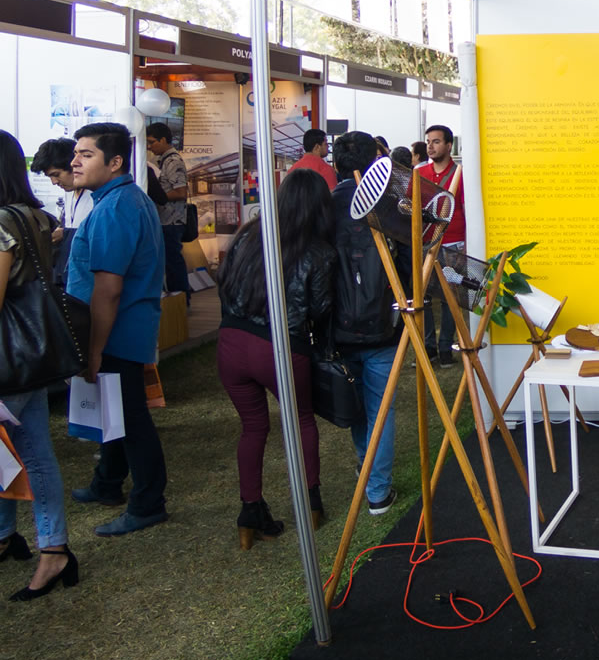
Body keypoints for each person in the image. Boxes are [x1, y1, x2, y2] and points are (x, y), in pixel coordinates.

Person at [216, 168, 335, 547]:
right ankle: (311, 503)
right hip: (280, 346)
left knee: (252, 427)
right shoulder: (319, 251)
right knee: (301, 421)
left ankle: (249, 512)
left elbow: (223, 284)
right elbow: (319, 308)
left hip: (231, 341)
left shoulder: (248, 235)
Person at [68, 121, 169, 536]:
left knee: (131, 417)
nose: (75, 161)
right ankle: (107, 482)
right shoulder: (120, 200)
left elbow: (108, 290)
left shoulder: (115, 208)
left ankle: (148, 503)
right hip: (119, 330)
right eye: (76, 153)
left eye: (86, 154)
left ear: (114, 163)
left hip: (116, 332)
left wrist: (94, 350)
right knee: (115, 410)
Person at [0, 129, 79, 600]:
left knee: (24, 452)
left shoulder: (1, 222)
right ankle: (47, 546)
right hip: (29, 356)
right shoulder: (36, 215)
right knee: (33, 451)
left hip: (7, 358)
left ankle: (43, 547)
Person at [331, 131, 407, 515]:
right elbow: (409, 261)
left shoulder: (325, 207)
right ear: (374, 162)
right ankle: (377, 490)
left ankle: (369, 473)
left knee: (358, 404)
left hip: (339, 326)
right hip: (383, 324)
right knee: (380, 407)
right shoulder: (386, 206)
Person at [416, 124, 464, 366]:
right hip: (425, 242)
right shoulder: (419, 173)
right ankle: (428, 348)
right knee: (422, 297)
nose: (430, 146)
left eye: (436, 141)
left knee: (449, 298)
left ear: (448, 145)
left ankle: (445, 348)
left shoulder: (460, 174)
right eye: (428, 142)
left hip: (453, 243)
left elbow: (466, 209)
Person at [30, 136, 93, 284]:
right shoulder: (69, 193)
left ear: (73, 165)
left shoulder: (96, 197)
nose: (54, 182)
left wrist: (66, 234)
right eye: (50, 177)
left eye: (56, 175)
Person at [144, 122, 191, 302]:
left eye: (152, 142)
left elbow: (181, 192)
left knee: (173, 262)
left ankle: (181, 301)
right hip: (163, 220)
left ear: (163, 140)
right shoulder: (161, 161)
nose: (149, 147)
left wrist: (158, 196)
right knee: (169, 262)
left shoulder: (173, 161)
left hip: (171, 221)